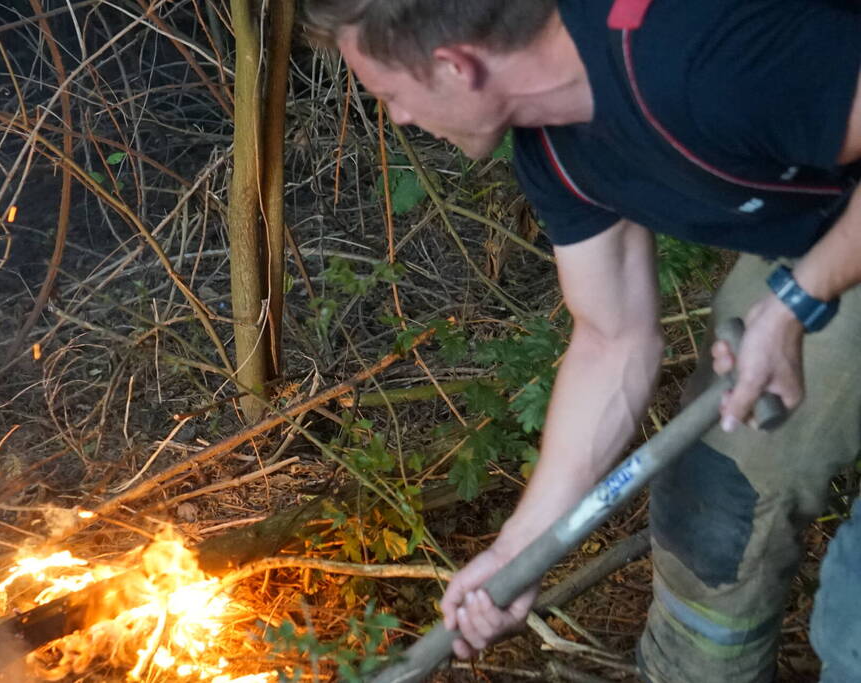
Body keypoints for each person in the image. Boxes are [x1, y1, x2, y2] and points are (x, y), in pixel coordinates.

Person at [303, 0, 861, 681]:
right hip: (834, 242)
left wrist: (798, 298)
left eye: (389, 94)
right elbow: (611, 338)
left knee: (853, 624)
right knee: (718, 500)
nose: (398, 118)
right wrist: (520, 545)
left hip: (821, 265)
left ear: (455, 66)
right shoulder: (559, 150)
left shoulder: (697, 49)